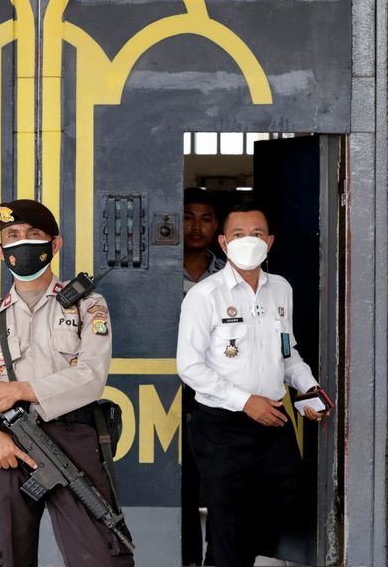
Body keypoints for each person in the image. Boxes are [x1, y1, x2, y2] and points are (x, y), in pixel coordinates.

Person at [0, 200, 134, 567]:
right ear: (0, 251)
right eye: (12, 236)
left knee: (102, 556)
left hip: (73, 439)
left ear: (54, 245)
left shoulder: (87, 306)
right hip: (5, 445)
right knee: (8, 556)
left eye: (33, 235)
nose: (23, 243)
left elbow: (91, 378)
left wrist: (16, 390)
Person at [177, 204, 328, 567]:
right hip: (222, 425)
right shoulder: (205, 295)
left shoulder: (281, 289)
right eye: (240, 235)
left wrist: (308, 390)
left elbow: (288, 354)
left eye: (257, 234)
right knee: (230, 520)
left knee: (285, 504)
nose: (250, 241)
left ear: (270, 241)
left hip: (274, 420)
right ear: (224, 242)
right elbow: (189, 366)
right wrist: (245, 402)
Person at [181, 188, 224, 565]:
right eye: (187, 216)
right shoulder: (159, 271)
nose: (196, 226)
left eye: (206, 218)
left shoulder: (229, 275)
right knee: (180, 479)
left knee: (219, 481)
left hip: (221, 390)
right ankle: (187, 556)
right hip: (171, 387)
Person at [183, 188, 225, 294]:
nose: (196, 227)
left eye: (205, 220)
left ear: (215, 225)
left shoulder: (228, 272)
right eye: (187, 218)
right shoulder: (161, 269)